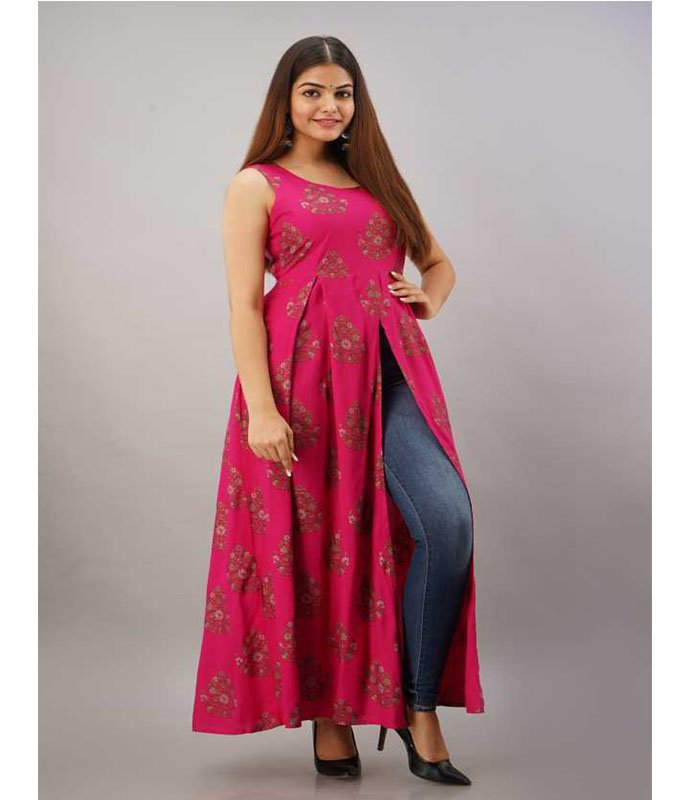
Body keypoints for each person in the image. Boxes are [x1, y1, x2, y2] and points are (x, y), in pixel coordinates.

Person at [192, 35, 484, 786]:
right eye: (313, 92)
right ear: (286, 100)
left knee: (446, 522)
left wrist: (428, 299)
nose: (330, 106)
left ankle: (417, 705)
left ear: (358, 101)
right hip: (303, 384)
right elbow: (243, 305)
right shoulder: (255, 184)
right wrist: (262, 410)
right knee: (325, 548)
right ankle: (332, 716)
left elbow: (439, 264)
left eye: (342, 93)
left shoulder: (378, 178)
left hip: (392, 375)